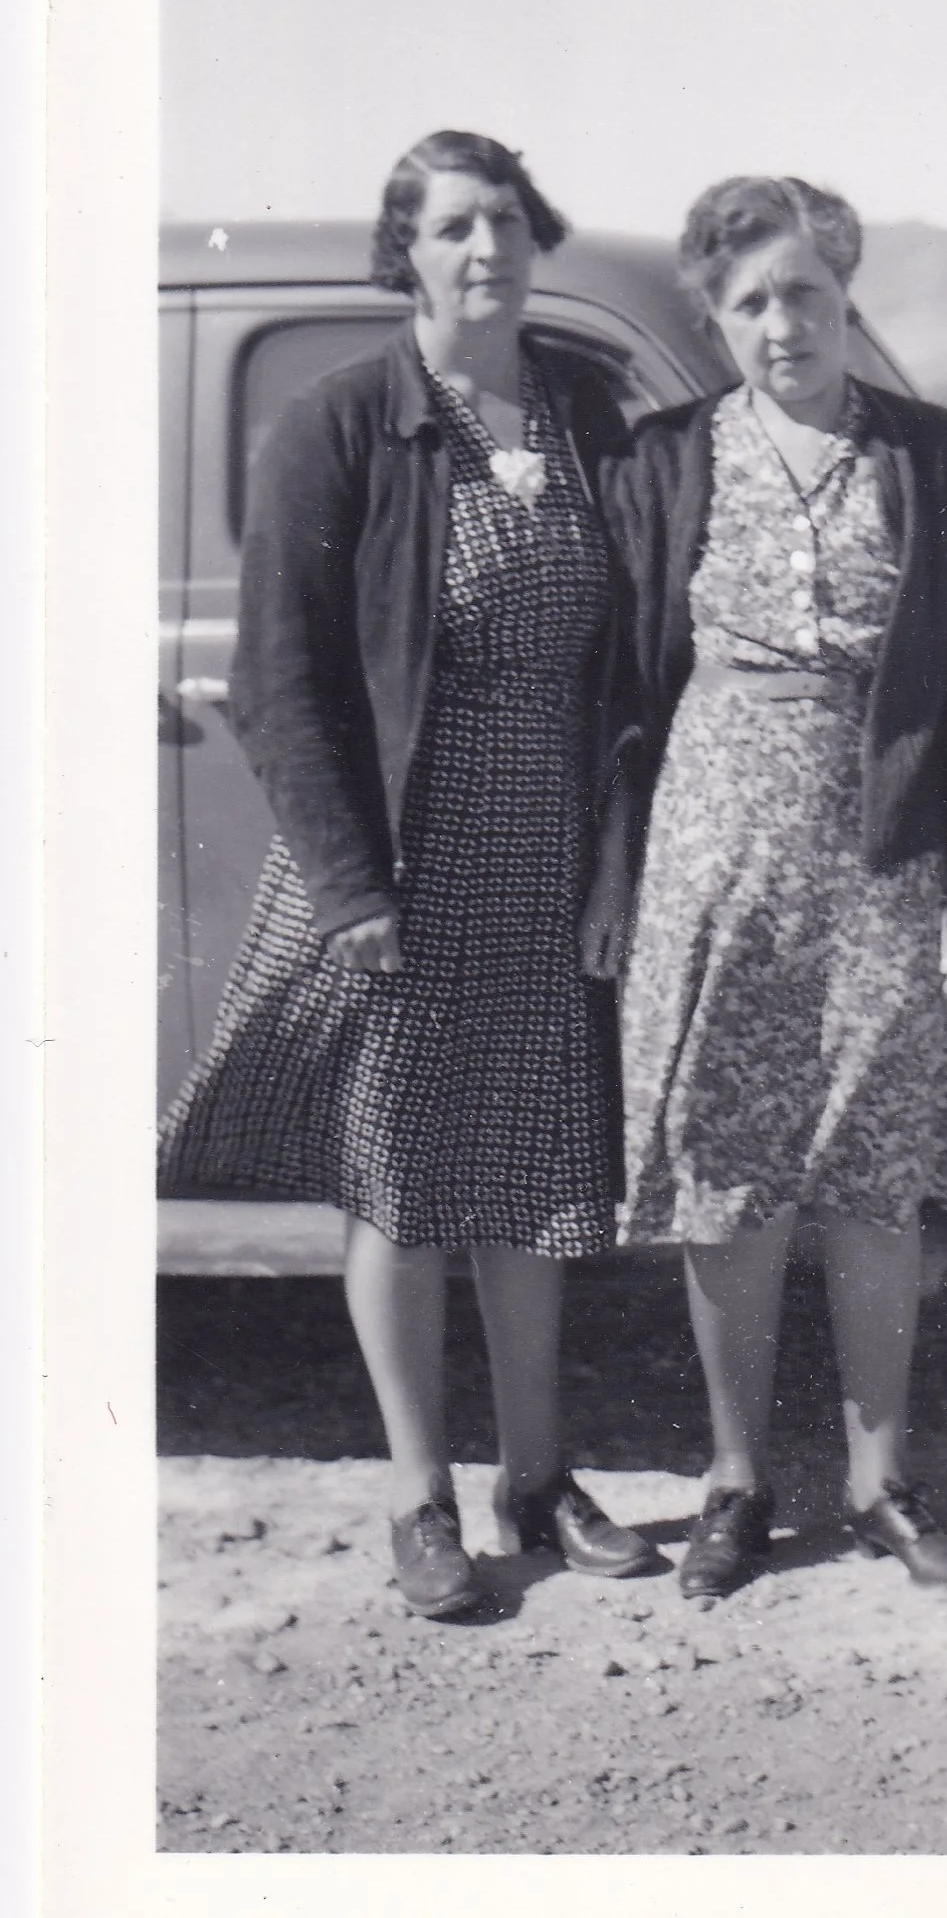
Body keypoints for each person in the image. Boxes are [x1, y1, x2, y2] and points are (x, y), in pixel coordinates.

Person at [159, 131, 657, 1619]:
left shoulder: (583, 413)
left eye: (506, 219)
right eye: (452, 227)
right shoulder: (341, 423)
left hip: (552, 846)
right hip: (400, 852)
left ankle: (539, 1475)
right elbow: (279, 681)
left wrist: (617, 859)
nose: (485, 248)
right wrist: (353, 892)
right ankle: (420, 1495)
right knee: (400, 1178)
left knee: (534, 1175)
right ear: (408, 252)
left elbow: (634, 666)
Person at [596, 175, 947, 1600]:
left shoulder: (940, 456)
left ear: (848, 297)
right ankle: (733, 1479)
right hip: (713, 847)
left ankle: (881, 1481)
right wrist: (615, 875)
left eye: (807, 295)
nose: (783, 325)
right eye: (750, 302)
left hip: (884, 847)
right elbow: (617, 695)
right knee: (728, 1171)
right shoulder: (663, 461)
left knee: (874, 1166)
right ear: (715, 319)